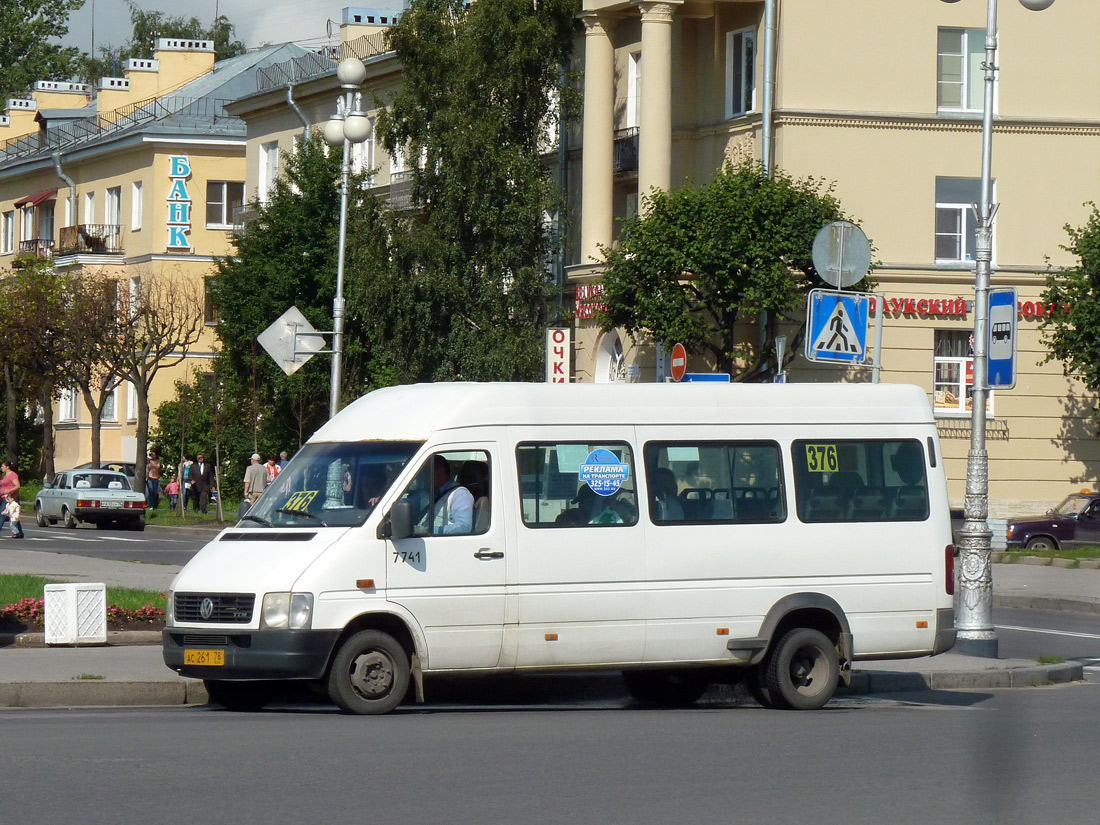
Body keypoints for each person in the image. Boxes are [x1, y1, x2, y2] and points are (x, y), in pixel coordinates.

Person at [432, 455, 473, 535]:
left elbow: (464, 527)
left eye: (427, 472)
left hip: (442, 543)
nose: (424, 476)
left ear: (440, 471)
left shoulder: (460, 494)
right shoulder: (430, 492)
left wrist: (432, 531)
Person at [0, 460, 20, 533]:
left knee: (2, 513)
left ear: (7, 467)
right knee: (14, 515)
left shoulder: (12, 475)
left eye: (3, 466)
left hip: (9, 498)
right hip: (3, 497)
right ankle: (19, 532)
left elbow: (17, 486)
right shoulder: (5, 475)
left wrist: (9, 491)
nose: (1, 468)